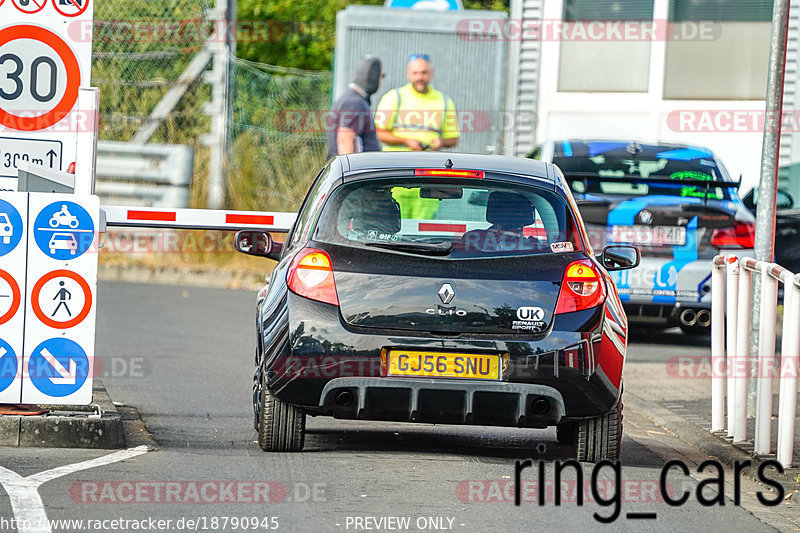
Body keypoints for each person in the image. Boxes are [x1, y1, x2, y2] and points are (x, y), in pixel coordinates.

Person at [374, 53, 459, 152]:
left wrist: (441, 142)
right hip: (397, 163)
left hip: (428, 164)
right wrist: (406, 141)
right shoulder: (393, 97)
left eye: (424, 72)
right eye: (415, 73)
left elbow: (453, 139)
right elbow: (379, 133)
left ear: (432, 73)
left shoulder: (444, 101)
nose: (419, 77)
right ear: (408, 74)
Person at [326, 56, 384, 159]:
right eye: (381, 76)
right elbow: (345, 141)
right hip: (358, 174)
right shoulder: (355, 103)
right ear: (374, 76)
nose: (381, 80)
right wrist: (351, 173)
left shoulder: (351, 99)